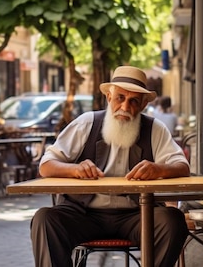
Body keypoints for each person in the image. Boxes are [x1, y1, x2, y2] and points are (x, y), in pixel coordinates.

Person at [30, 66, 190, 267]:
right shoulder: (86, 123)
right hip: (84, 214)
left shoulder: (155, 129)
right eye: (120, 98)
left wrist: (159, 169)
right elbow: (45, 166)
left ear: (142, 105)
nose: (124, 107)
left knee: (172, 221)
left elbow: (182, 166)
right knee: (45, 219)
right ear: (108, 97)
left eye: (133, 101)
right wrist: (75, 170)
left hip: (138, 216)